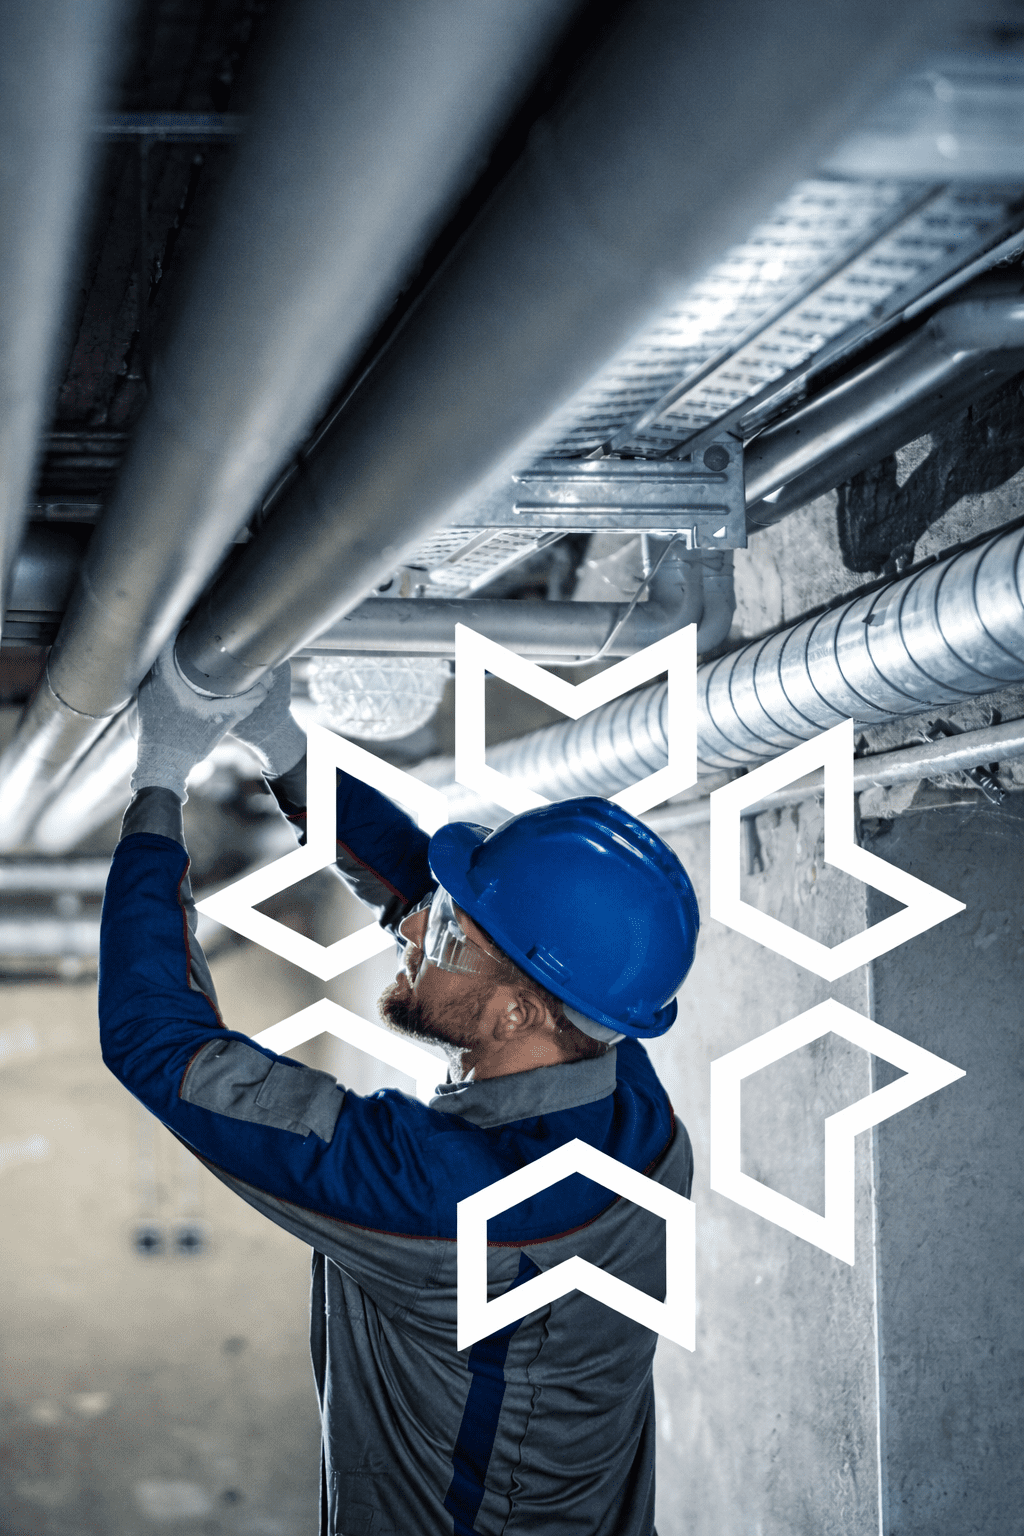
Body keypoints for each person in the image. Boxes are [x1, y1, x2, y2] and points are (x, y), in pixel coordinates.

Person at [99, 638, 700, 1536]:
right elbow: (426, 894)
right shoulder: (629, 1107)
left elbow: (156, 1041)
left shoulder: (451, 1206)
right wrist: (283, 746)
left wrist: (159, 778)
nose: (416, 932)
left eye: (448, 937)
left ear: (516, 1015)